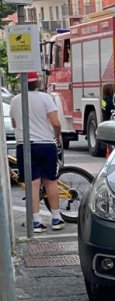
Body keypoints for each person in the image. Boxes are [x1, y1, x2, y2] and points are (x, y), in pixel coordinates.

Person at [9, 72, 65, 232]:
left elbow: (14, 123)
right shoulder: (45, 98)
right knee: (50, 181)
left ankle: (36, 221)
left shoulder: (15, 100)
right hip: (46, 144)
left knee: (32, 184)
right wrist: (57, 135)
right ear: (38, 83)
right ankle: (56, 218)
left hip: (24, 145)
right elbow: (55, 122)